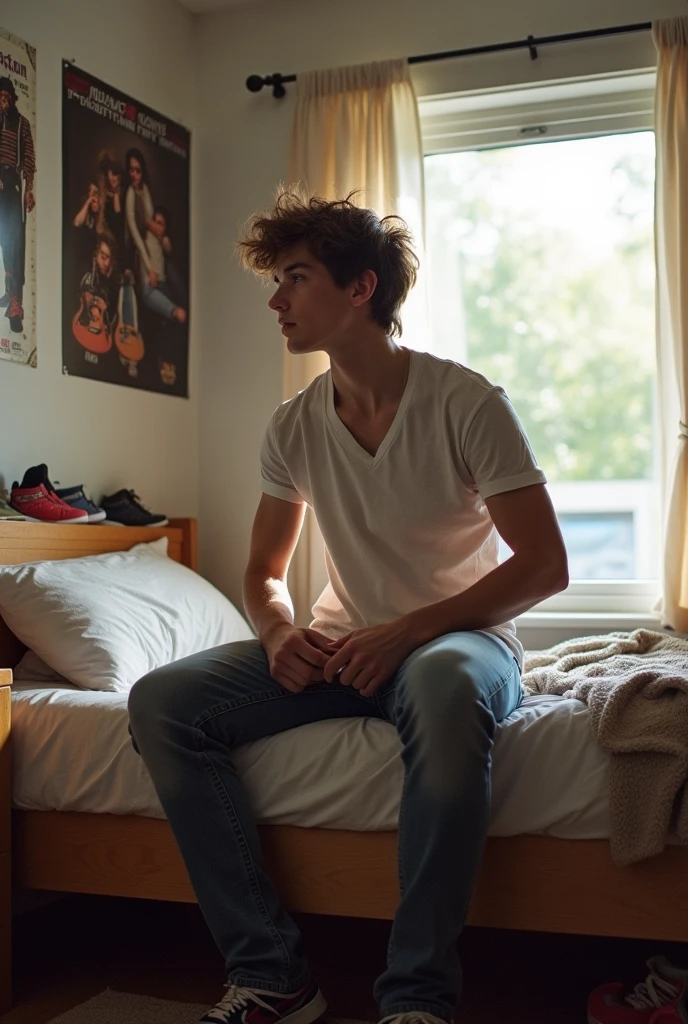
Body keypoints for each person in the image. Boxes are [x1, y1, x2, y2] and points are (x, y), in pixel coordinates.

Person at [127, 189, 569, 1024]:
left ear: (360, 288)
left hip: (457, 643)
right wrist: (277, 627)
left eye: (295, 278)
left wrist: (411, 628)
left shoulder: (467, 403)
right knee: (162, 703)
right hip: (343, 647)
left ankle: (416, 998)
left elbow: (545, 566)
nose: (275, 301)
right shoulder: (293, 426)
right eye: (277, 281)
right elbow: (262, 570)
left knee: (441, 690)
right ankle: (273, 975)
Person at [124, 147, 186, 323]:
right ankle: (174, 311)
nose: (134, 174)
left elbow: (151, 220)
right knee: (149, 291)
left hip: (160, 270)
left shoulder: (145, 191)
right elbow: (135, 233)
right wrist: (149, 268)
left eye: (138, 170)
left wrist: (158, 231)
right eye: (131, 170)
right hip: (142, 256)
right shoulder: (130, 193)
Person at [0, 76, 36, 334]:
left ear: (12, 98)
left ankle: (15, 302)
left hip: (12, 182)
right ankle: (7, 288)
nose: (3, 101)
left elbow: (30, 158)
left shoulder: (21, 123)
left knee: (14, 240)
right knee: (3, 241)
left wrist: (29, 190)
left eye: (6, 97)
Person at [97, 150, 126, 265]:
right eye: (112, 174)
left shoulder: (121, 192)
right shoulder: (101, 191)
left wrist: (116, 193)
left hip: (118, 241)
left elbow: (118, 218)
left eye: (117, 174)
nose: (115, 178)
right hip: (103, 239)